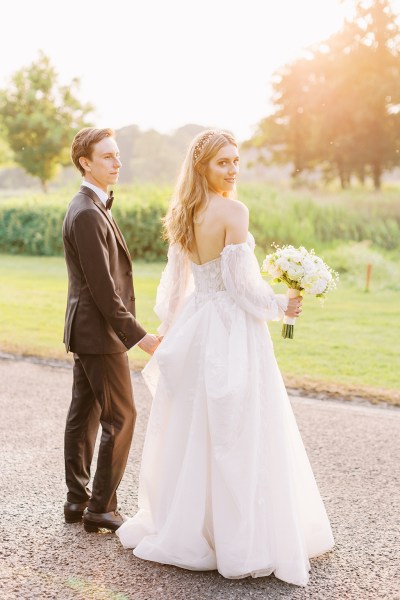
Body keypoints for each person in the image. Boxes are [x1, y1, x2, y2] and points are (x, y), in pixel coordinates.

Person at [117, 130, 334, 586]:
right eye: (223, 163)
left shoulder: (184, 212)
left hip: (198, 326)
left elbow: (177, 284)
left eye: (236, 161)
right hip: (232, 331)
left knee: (199, 426)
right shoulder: (234, 211)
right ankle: (239, 538)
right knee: (239, 427)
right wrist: (281, 305)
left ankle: (193, 527)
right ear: (202, 167)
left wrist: (170, 327)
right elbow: (243, 289)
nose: (233, 170)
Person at [62, 127, 160, 533]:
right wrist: (139, 336)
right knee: (122, 415)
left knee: (84, 413)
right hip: (98, 333)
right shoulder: (86, 212)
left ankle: (77, 500)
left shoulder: (90, 205)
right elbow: (102, 289)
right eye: (107, 156)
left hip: (87, 331)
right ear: (86, 162)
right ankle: (101, 507)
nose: (117, 162)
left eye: (117, 155)